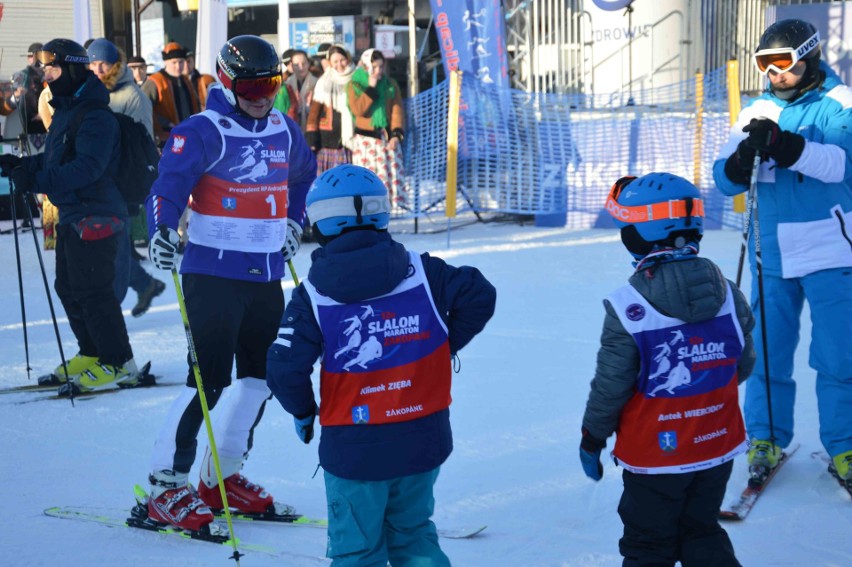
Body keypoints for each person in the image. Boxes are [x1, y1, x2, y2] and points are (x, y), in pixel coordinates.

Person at [267, 163, 496, 566]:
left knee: (357, 550)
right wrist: (439, 344)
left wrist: (304, 412)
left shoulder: (313, 295)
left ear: (319, 223)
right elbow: (480, 294)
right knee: (412, 534)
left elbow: (284, 368)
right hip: (423, 438)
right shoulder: (424, 272)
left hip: (355, 449)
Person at [142, 35, 317, 531]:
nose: (264, 95)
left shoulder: (284, 128)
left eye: (273, 83)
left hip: (265, 273)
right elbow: (168, 186)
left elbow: (303, 176)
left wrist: (293, 221)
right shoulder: (201, 130)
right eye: (253, 85)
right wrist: (161, 231)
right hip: (211, 274)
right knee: (207, 381)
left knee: (260, 380)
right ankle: (165, 485)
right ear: (225, 80)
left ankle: (221, 479)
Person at [580, 172, 756, 567]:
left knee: (649, 544)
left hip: (656, 453)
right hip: (717, 443)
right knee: (701, 529)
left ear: (643, 231)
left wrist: (592, 436)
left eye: (628, 225)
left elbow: (612, 385)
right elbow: (741, 363)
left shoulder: (628, 306)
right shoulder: (728, 291)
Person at [712, 18, 852, 486]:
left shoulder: (840, 103)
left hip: (832, 251)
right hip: (771, 254)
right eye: (765, 65)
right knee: (769, 352)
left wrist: (786, 146)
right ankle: (767, 438)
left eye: (783, 64)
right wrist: (740, 159)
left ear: (808, 58)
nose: (775, 75)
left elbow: (838, 165)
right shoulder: (758, 109)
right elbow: (724, 179)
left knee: (840, 356)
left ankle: (846, 444)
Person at [0, 39, 137, 390]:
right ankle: (92, 351)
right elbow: (54, 160)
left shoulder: (95, 115)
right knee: (69, 287)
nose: (46, 75)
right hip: (75, 213)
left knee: (94, 292)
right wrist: (22, 165)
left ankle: (119, 360)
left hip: (99, 214)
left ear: (73, 69)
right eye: (45, 68)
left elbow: (87, 169)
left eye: (53, 68)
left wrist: (36, 180)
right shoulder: (67, 109)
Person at [87, 38, 166, 318]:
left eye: (103, 64)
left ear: (115, 65)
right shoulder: (89, 92)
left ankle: (110, 318)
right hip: (94, 183)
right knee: (104, 250)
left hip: (120, 184)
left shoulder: (132, 96)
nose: (97, 69)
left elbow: (141, 143)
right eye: (92, 64)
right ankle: (146, 284)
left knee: (117, 251)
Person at [347, 48, 405, 205]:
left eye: (381, 66)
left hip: (386, 139)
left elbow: (396, 110)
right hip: (366, 141)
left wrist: (396, 134)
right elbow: (357, 110)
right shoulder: (355, 84)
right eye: (375, 67)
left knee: (386, 178)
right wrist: (371, 89)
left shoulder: (389, 84)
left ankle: (389, 208)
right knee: (367, 179)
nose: (379, 71)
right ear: (366, 66)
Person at [306, 45, 356, 174]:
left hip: (353, 140)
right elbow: (314, 113)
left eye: (342, 60)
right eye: (335, 61)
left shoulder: (357, 77)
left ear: (348, 59)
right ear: (330, 63)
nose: (339, 64)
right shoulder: (324, 82)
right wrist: (312, 138)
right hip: (328, 142)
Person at [141, 42, 200, 146]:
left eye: (181, 62)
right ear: (165, 62)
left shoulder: (186, 81)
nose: (178, 66)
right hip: (166, 139)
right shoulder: (154, 82)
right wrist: (166, 123)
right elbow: (143, 109)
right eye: (174, 62)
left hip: (188, 137)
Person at [284, 49, 317, 133]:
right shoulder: (287, 85)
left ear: (308, 64)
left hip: (312, 129)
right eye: (296, 64)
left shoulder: (317, 83)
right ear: (292, 66)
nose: (301, 67)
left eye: (303, 63)